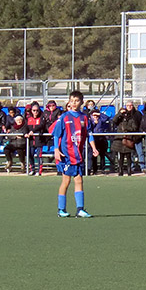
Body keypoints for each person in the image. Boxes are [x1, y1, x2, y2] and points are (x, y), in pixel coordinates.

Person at [52, 90, 98, 218]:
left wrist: (93, 147)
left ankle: (80, 209)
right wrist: (56, 150)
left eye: (76, 101)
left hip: (78, 154)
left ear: (81, 102)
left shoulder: (84, 118)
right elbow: (56, 135)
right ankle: (61, 209)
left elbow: (89, 134)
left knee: (79, 180)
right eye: (72, 101)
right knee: (66, 181)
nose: (74, 103)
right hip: (66, 154)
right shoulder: (65, 117)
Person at [111, 106, 140, 176]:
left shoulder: (131, 119)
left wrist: (127, 129)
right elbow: (114, 121)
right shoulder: (119, 119)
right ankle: (120, 170)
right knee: (121, 156)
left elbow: (134, 127)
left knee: (129, 156)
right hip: (120, 140)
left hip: (128, 139)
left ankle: (129, 170)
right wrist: (119, 114)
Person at [25, 102, 47, 176]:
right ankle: (32, 169)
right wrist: (26, 133)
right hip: (31, 141)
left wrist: (33, 131)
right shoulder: (29, 118)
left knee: (38, 155)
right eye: (34, 110)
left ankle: (39, 171)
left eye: (37, 110)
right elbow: (26, 127)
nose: (35, 112)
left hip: (39, 140)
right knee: (30, 154)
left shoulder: (41, 118)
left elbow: (41, 126)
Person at [88, 109, 111, 175]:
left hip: (101, 139)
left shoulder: (101, 120)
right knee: (93, 156)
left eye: (96, 115)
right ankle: (94, 169)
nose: (95, 117)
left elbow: (106, 117)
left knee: (102, 155)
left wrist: (100, 114)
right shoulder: (90, 121)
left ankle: (102, 168)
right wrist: (94, 123)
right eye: (94, 115)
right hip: (93, 140)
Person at [124, 100, 145, 172]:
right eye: (127, 105)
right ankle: (131, 167)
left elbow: (141, 124)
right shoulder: (124, 114)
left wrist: (140, 133)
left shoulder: (138, 114)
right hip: (129, 137)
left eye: (131, 105)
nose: (129, 107)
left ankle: (143, 167)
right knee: (130, 153)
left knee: (140, 152)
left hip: (137, 136)